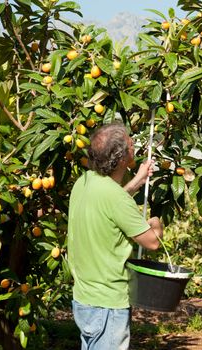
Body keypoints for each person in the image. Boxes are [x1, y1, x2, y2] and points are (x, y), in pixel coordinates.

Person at [67, 122, 163, 350]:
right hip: (107, 306)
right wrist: (156, 223)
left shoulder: (84, 182)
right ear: (121, 159)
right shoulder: (115, 198)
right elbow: (152, 242)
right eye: (131, 145)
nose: (134, 147)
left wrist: (138, 180)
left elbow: (110, 203)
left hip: (85, 300)